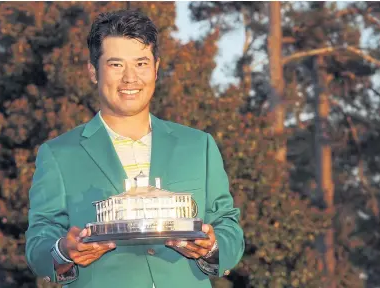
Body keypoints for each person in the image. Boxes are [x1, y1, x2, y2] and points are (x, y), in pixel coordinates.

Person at [25, 9, 244, 288]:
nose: (130, 78)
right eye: (116, 65)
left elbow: (229, 228)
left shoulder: (199, 146)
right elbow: (38, 242)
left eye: (140, 63)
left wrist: (212, 249)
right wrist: (62, 252)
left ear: (156, 68)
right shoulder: (58, 155)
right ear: (93, 71)